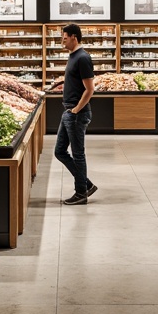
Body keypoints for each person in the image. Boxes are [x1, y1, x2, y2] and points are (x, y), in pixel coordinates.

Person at [54, 22, 97, 205]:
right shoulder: (72, 56)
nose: (62, 40)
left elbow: (90, 89)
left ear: (74, 37)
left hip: (76, 114)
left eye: (65, 37)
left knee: (78, 154)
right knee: (59, 151)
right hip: (69, 112)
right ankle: (86, 184)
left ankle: (81, 193)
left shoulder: (83, 57)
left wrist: (76, 110)